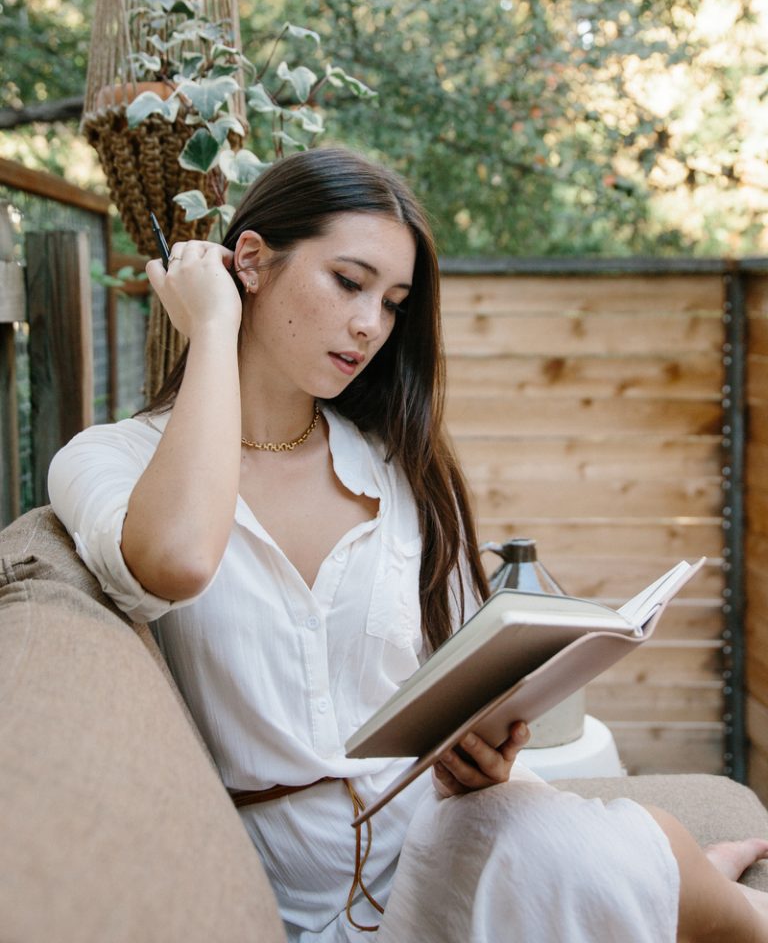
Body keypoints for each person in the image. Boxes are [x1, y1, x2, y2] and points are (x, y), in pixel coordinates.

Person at [49, 146, 768, 942]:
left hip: (442, 835)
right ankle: (688, 888)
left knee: (588, 847)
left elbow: (464, 668)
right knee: (614, 853)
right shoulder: (107, 462)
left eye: (393, 302)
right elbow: (177, 560)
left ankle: (695, 891)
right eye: (348, 282)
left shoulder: (397, 474)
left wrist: (486, 743)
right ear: (248, 260)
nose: (370, 325)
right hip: (298, 897)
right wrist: (213, 324)